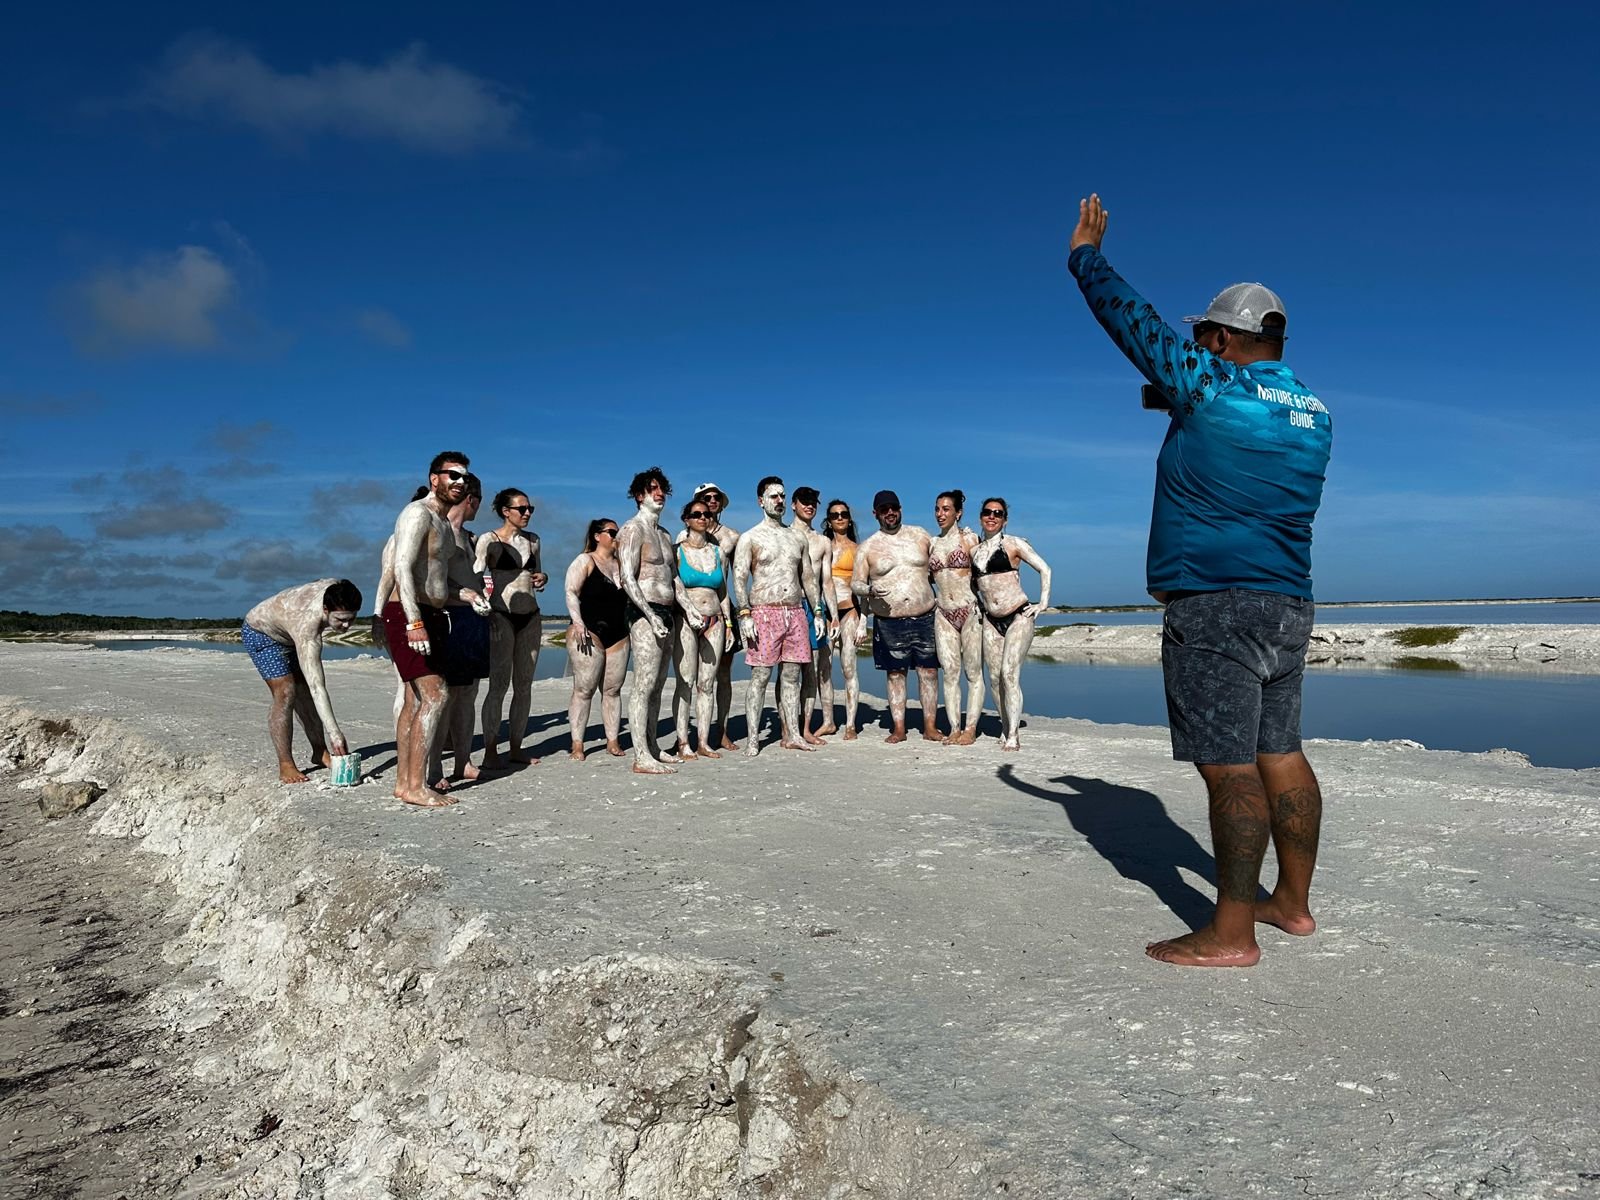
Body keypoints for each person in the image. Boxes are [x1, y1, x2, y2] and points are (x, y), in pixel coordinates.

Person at [1068, 192, 1332, 968]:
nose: (1194, 347)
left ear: (1220, 338)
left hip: (1215, 604)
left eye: (1201, 338)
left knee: (1229, 768)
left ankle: (1231, 934)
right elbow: (1235, 417)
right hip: (1289, 604)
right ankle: (1293, 905)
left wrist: (1085, 257)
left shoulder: (1209, 383)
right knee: (1282, 753)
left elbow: (1133, 322)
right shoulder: (1314, 411)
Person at [382, 451, 490, 807]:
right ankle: (416, 785)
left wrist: (467, 595)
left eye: (464, 477)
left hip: (432, 613)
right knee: (436, 694)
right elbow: (401, 568)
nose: (459, 482)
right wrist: (413, 622)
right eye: (452, 475)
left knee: (416, 700)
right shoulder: (418, 513)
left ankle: (404, 783)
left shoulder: (443, 524)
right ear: (434, 478)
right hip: (408, 613)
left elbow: (436, 582)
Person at [617, 467, 702, 773]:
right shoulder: (632, 529)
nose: (659, 493)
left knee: (657, 685)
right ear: (639, 495)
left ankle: (652, 746)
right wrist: (649, 614)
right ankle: (640, 755)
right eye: (652, 488)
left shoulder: (665, 535)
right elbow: (627, 578)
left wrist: (689, 607)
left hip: (667, 609)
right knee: (643, 683)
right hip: (644, 611)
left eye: (662, 488)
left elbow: (673, 577)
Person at [732, 476, 825, 757]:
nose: (780, 501)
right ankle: (752, 738)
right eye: (774, 496)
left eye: (782, 496)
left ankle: (793, 734)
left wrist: (817, 612)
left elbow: (808, 578)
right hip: (764, 612)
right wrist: (744, 614)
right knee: (760, 676)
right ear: (761, 501)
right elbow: (739, 577)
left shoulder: (797, 537)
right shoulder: (750, 537)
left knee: (792, 675)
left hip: (795, 612)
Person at [241, 579, 362, 783]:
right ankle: (286, 764)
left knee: (303, 693)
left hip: (289, 633)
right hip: (261, 633)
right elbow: (318, 686)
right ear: (325, 609)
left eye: (351, 619)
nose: (346, 626)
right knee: (286, 692)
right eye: (340, 620)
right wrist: (335, 733)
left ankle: (320, 752)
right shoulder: (307, 625)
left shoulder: (340, 589)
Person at [851, 489, 939, 743]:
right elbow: (856, 583)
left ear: (900, 509)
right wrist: (869, 590)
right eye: (884, 509)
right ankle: (899, 728)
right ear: (875, 513)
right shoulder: (868, 547)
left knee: (929, 672)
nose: (890, 513)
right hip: (889, 620)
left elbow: (942, 559)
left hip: (925, 616)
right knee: (895, 674)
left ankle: (930, 727)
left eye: (894, 508)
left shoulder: (920, 535)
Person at [473, 487, 547, 769]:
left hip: (531, 616)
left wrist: (542, 577)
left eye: (530, 509)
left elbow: (537, 573)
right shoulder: (488, 540)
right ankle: (491, 750)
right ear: (506, 511)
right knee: (499, 685)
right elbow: (476, 576)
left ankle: (516, 748)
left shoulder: (533, 540)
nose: (527, 513)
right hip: (501, 615)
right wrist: (486, 610)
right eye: (522, 509)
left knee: (524, 686)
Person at [970, 497, 1052, 752]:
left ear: (1005, 520)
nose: (992, 517)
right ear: (981, 516)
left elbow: (1045, 569)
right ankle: (1005, 726)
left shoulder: (1014, 544)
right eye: (987, 512)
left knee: (1009, 674)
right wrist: (977, 603)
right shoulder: (975, 551)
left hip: (1018, 615)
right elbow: (975, 584)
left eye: (998, 513)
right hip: (991, 620)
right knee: (995, 678)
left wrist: (1042, 604)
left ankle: (1014, 735)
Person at [435, 473, 491, 786]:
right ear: (471, 500)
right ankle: (434, 768)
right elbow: (431, 581)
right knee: (445, 696)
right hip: (449, 617)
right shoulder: (440, 531)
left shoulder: (468, 537)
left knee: (468, 695)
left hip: (472, 619)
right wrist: (465, 593)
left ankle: (463, 761)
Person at [671, 497, 733, 758]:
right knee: (685, 682)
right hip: (685, 620)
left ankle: (704, 742)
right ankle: (682, 741)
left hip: (715, 620)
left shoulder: (718, 552)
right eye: (697, 514)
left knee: (707, 684)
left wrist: (729, 624)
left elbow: (723, 592)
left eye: (706, 514)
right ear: (687, 519)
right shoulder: (677, 551)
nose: (703, 518)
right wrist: (688, 610)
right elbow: (675, 586)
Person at [683, 481, 743, 750]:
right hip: (691, 612)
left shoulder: (731, 537)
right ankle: (686, 735)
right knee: (688, 676)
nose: (712, 501)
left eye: (716, 497)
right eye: (706, 498)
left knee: (723, 675)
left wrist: (742, 612)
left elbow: (740, 574)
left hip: (722, 608)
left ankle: (722, 730)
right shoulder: (683, 536)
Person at [564, 518, 630, 760]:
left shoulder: (623, 565)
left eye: (618, 532)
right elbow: (571, 591)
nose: (616, 536)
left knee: (613, 689)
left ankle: (613, 741)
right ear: (597, 536)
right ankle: (577, 744)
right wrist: (578, 622)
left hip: (619, 632)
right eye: (612, 532)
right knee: (584, 688)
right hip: (588, 629)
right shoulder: (585, 560)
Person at [929, 489, 984, 745]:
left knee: (973, 673)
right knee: (950, 673)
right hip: (943, 613)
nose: (940, 514)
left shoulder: (970, 539)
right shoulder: (932, 543)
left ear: (958, 513)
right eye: (937, 509)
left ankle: (970, 728)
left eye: (946, 509)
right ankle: (954, 728)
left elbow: (987, 571)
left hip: (969, 610)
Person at [789, 486, 838, 740]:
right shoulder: (784, 535)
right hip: (790, 605)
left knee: (813, 669)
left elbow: (826, 581)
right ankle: (788, 727)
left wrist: (835, 616)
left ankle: (806, 727)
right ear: (793, 504)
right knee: (788, 672)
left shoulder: (822, 542)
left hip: (814, 608)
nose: (810, 506)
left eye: (813, 502)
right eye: (804, 501)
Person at [824, 499, 870, 740]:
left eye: (843, 514)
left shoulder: (858, 549)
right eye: (835, 515)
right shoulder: (822, 546)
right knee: (824, 668)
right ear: (829, 521)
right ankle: (828, 720)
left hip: (849, 610)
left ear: (849, 519)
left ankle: (850, 724)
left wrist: (863, 622)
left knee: (849, 667)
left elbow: (864, 589)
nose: (840, 518)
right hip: (825, 613)